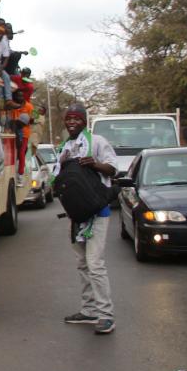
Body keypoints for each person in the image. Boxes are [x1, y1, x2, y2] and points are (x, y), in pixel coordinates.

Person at [56, 104, 118, 335]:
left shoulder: (98, 142)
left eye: (76, 119)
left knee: (95, 264)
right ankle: (89, 310)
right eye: (68, 118)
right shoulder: (66, 147)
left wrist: (94, 164)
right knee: (82, 264)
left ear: (84, 121)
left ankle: (106, 315)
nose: (71, 122)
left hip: (97, 213)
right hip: (76, 216)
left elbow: (113, 170)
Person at [6, 90, 34, 181]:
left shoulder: (29, 106)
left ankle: (20, 174)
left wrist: (30, 120)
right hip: (13, 132)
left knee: (21, 152)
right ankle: (14, 170)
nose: (20, 98)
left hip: (24, 133)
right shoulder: (13, 105)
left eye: (21, 96)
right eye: (18, 96)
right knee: (12, 153)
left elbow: (32, 119)